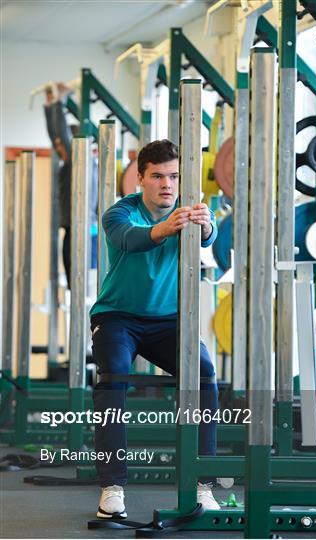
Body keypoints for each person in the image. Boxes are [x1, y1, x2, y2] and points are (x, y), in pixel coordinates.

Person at [90, 139, 220, 518]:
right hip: (117, 317)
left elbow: (208, 235)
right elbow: (128, 239)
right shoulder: (119, 213)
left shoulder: (189, 209)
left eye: (175, 176)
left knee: (204, 374)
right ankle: (112, 487)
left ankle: (203, 484)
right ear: (141, 179)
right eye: (158, 176)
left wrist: (206, 225)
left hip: (168, 321)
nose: (167, 183)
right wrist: (164, 228)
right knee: (112, 377)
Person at [44, 83, 98, 288]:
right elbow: (55, 137)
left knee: (84, 284)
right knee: (73, 282)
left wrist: (60, 102)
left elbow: (62, 137)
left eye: (62, 146)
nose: (58, 150)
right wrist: (49, 107)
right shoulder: (70, 163)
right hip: (75, 225)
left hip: (85, 228)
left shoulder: (78, 160)